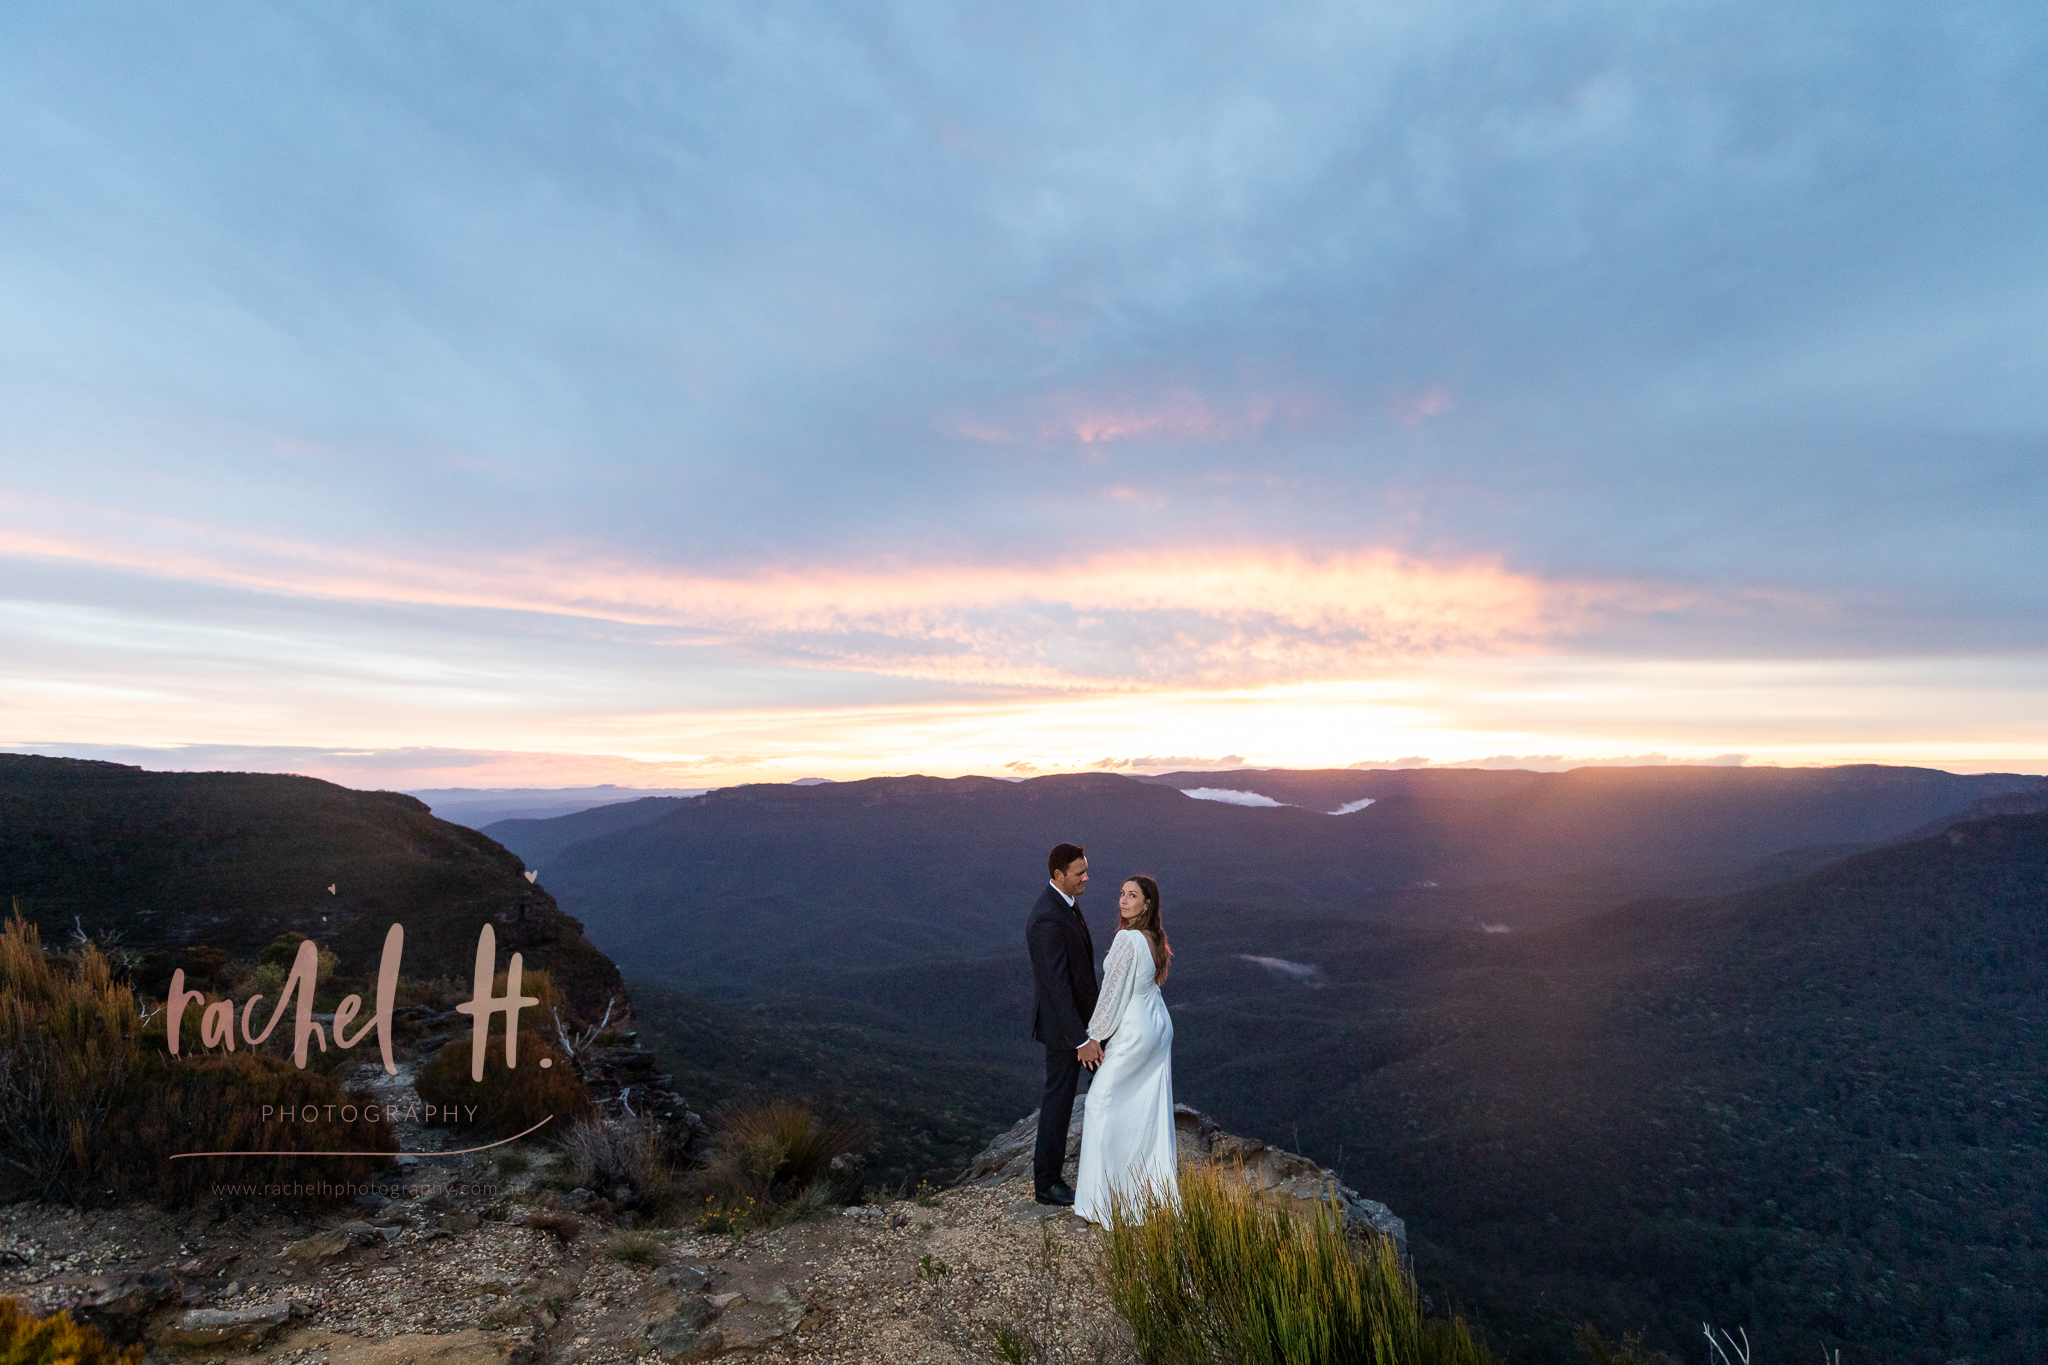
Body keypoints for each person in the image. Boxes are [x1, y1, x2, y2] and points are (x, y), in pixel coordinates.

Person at [1072, 874, 1177, 1226]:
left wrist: (1094, 1037)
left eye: (1132, 896)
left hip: (1134, 1030)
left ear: (1147, 904)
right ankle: (1143, 1193)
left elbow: (1113, 993)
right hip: (1157, 1027)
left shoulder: (1127, 939)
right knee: (1144, 1108)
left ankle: (1100, 1203)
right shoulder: (1153, 937)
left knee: (1100, 1103)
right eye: (1121, 894)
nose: (1123, 900)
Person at [1025, 842, 1098, 1207]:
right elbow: (1054, 985)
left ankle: (1107, 1166)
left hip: (1084, 1026)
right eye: (1079, 873)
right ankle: (1047, 1184)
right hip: (1066, 1031)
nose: (1086, 877)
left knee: (1105, 1085)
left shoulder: (1066, 904)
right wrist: (1080, 1039)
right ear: (1058, 875)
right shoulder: (1046, 917)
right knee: (1059, 1102)